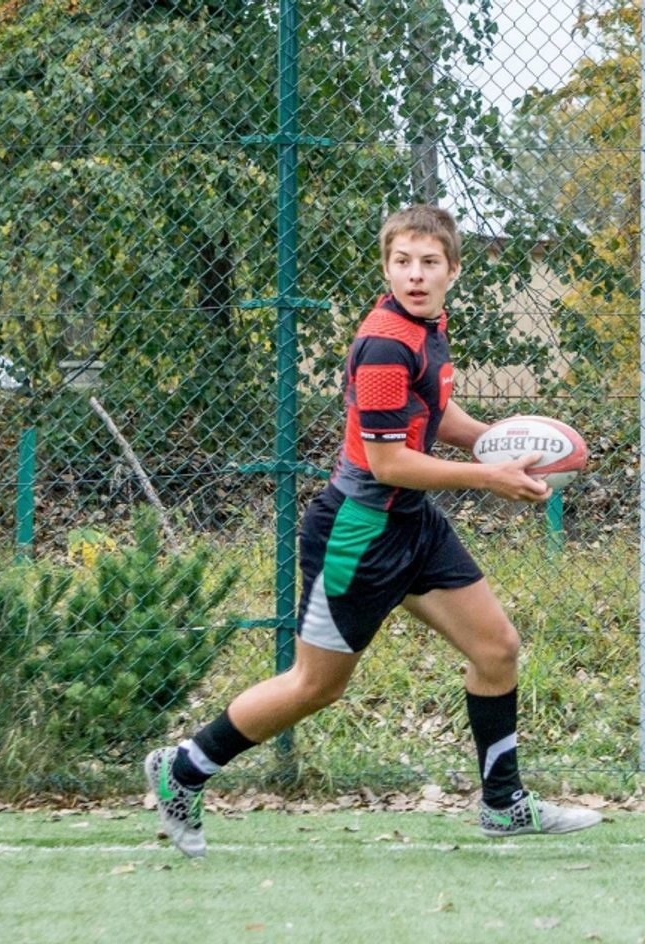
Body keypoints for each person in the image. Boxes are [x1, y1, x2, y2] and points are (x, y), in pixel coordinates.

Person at [144, 205, 601, 858]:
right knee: (316, 685)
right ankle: (184, 769)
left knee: (496, 648)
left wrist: (501, 444)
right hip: (358, 535)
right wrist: (489, 477)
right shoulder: (384, 344)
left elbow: (435, 411)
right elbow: (389, 463)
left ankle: (504, 804)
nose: (416, 275)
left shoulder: (428, 328)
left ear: (453, 270)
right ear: (386, 268)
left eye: (429, 262)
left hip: (413, 524)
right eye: (402, 262)